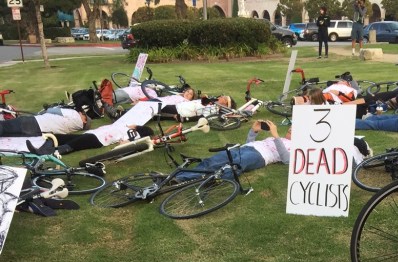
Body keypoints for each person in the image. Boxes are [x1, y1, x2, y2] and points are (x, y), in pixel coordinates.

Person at [25, 100, 162, 155]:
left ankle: (50, 152)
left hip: (99, 139)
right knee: (65, 138)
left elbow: (126, 141)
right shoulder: (126, 127)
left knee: (74, 144)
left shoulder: (132, 132)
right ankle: (43, 146)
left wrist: (128, 140)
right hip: (95, 134)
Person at [174, 119, 291, 180]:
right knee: (213, 160)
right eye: (291, 127)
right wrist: (253, 131)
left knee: (234, 166)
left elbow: (287, 160)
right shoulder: (277, 138)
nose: (291, 128)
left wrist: (275, 136)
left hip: (260, 156)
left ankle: (212, 181)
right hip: (245, 148)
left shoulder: (295, 147)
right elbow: (251, 144)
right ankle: (178, 178)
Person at [0, 106, 90, 138]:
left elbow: (52, 110)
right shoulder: (75, 128)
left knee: (4, 126)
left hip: (35, 122)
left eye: (83, 114)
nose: (81, 112)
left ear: (84, 120)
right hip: (38, 133)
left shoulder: (74, 114)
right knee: (6, 133)